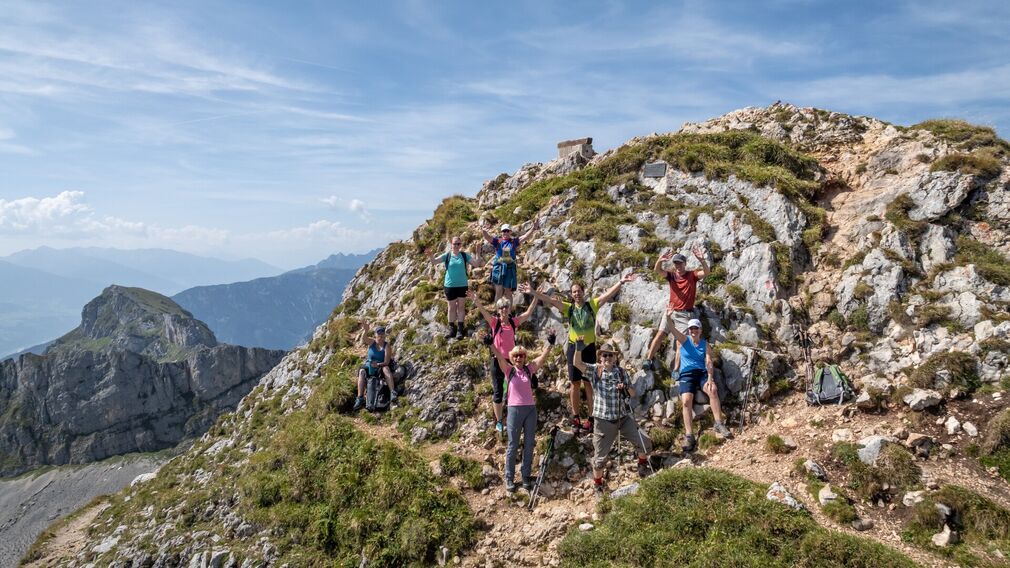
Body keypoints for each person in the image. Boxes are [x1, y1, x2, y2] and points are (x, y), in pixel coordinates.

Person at [530, 273, 640, 433]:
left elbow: (607, 295)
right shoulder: (569, 308)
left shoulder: (591, 305)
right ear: (571, 294)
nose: (576, 294)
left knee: (589, 383)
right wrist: (533, 292)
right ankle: (576, 418)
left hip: (589, 348)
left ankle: (590, 418)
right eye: (574, 291)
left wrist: (621, 281)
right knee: (574, 383)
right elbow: (550, 300)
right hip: (574, 348)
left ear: (583, 292)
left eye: (579, 291)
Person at [572, 340, 652, 494]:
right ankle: (598, 485)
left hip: (623, 418)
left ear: (615, 357)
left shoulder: (622, 372)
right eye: (605, 355)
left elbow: (633, 394)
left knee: (645, 441)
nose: (608, 357)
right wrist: (578, 349)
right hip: (603, 421)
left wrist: (625, 388)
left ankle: (642, 465)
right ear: (600, 357)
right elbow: (577, 363)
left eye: (610, 355)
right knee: (600, 459)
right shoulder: (595, 370)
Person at [489, 334, 555, 493]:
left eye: (521, 355)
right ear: (512, 358)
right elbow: (499, 356)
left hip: (530, 410)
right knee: (513, 445)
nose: (519, 358)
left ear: (525, 358)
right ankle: (509, 478)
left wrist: (550, 344)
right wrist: (491, 344)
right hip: (514, 410)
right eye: (516, 356)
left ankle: (525, 476)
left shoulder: (529, 369)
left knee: (529, 444)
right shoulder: (509, 370)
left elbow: (542, 358)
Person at [468, 287, 538, 434]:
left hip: (512, 361)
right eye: (501, 307)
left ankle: (515, 414)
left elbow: (528, 313)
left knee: (514, 388)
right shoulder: (495, 323)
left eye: (506, 306)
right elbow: (484, 312)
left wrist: (536, 296)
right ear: (498, 310)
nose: (504, 309)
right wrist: (476, 300)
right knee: (498, 391)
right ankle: (499, 421)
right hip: (497, 360)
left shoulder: (513, 322)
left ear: (509, 308)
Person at [663, 315, 732, 452]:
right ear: (688, 330)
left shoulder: (705, 344)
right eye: (691, 328)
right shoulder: (684, 340)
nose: (693, 331)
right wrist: (668, 317)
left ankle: (718, 423)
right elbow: (672, 329)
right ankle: (689, 435)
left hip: (701, 373)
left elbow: (709, 362)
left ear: (700, 330)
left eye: (696, 328)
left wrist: (710, 378)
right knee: (686, 401)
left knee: (712, 390)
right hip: (687, 374)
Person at [646, 245, 710, 366]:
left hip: (684, 314)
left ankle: (676, 370)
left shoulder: (692, 275)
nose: (678, 266)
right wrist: (660, 260)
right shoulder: (671, 276)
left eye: (680, 263)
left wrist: (702, 260)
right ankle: (648, 360)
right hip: (670, 311)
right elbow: (657, 270)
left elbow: (706, 272)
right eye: (676, 263)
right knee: (660, 335)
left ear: (685, 264)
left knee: (681, 342)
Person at [430, 236, 482, 339]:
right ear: (451, 245)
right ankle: (451, 329)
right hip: (450, 286)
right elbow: (434, 261)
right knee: (451, 307)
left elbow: (476, 264)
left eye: (459, 244)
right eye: (455, 244)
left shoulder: (464, 255)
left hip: (462, 285)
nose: (457, 246)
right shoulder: (447, 255)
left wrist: (478, 253)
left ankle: (460, 330)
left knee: (461, 307)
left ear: (460, 245)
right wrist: (431, 255)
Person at [481, 218, 540, 303]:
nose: (505, 233)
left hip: (509, 268)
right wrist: (484, 231)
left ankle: (509, 310)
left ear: (510, 232)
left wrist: (533, 228)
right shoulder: (498, 241)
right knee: (499, 291)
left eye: (507, 231)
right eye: (503, 231)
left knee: (508, 292)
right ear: (501, 232)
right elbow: (488, 237)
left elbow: (525, 236)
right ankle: (498, 309)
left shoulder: (514, 241)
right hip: (499, 268)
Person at [352, 323, 398, 411]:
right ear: (375, 335)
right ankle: (360, 398)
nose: (380, 336)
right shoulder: (372, 342)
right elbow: (364, 338)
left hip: (381, 366)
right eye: (378, 334)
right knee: (361, 371)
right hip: (370, 366)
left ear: (384, 335)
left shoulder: (386, 346)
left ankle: (392, 392)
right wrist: (366, 330)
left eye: (382, 334)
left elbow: (386, 362)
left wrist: (378, 365)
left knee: (386, 369)